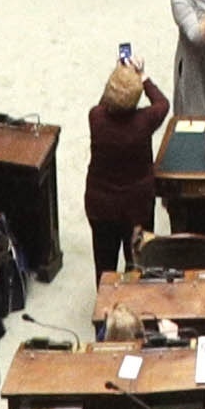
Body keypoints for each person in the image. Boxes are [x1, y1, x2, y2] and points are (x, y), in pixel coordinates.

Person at [83, 56, 162, 273]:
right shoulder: (145, 121)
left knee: (104, 267)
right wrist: (143, 76)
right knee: (138, 267)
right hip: (137, 208)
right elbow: (162, 103)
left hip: (101, 207)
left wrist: (118, 77)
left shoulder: (96, 118)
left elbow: (103, 103)